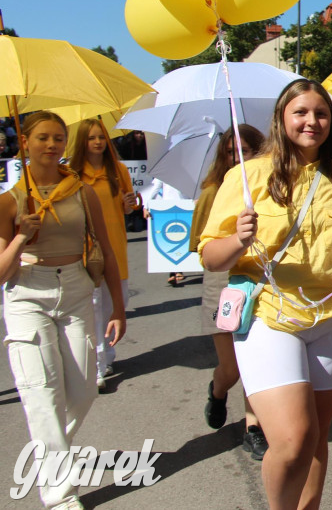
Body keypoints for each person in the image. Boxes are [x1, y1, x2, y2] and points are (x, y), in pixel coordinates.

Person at [199, 80, 332, 510]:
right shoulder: (247, 175)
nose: (313, 121)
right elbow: (211, 258)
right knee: (292, 441)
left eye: (322, 114)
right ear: (281, 118)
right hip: (270, 317)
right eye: (301, 112)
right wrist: (238, 240)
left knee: (315, 439)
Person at [0, 111, 126, 510]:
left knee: (84, 390)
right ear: (24, 143)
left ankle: (48, 447)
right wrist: (21, 235)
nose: (51, 145)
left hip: (75, 289)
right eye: (42, 138)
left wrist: (118, 309)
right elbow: (3, 272)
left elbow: (105, 250)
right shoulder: (9, 199)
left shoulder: (81, 191)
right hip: (26, 294)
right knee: (41, 394)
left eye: (57, 138)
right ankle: (60, 495)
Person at [190, 124, 267, 460]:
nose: (238, 157)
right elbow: (199, 246)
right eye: (231, 152)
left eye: (245, 151)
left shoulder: (267, 187)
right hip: (222, 283)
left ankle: (254, 427)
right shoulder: (211, 192)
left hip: (258, 281)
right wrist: (233, 237)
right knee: (232, 368)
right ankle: (218, 390)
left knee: (255, 362)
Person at [67, 119, 135, 390]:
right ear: (82, 142)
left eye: (101, 137)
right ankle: (95, 365)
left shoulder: (117, 170)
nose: (97, 142)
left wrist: (128, 205)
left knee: (116, 302)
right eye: (91, 138)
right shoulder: (71, 174)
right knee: (93, 306)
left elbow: (127, 206)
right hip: (85, 250)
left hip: (116, 245)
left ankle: (106, 356)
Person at [142, 178, 186, 287]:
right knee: (171, 239)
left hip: (185, 207)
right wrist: (146, 206)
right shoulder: (164, 169)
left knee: (182, 239)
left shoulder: (187, 168)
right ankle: (173, 272)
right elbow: (156, 187)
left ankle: (179, 270)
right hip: (167, 208)